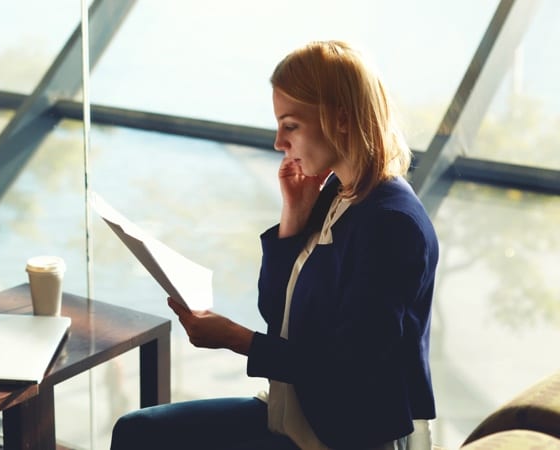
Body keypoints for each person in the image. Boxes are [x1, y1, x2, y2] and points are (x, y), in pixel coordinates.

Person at [110, 40, 439, 450]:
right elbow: (277, 314)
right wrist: (293, 217)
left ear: (340, 118)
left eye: (291, 125)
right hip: (299, 411)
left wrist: (235, 338)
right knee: (136, 430)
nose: (279, 143)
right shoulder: (339, 192)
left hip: (341, 435)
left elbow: (351, 371)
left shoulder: (391, 224)